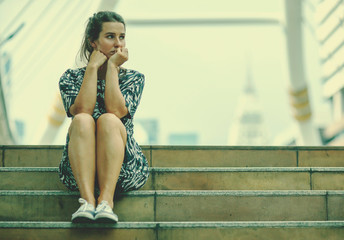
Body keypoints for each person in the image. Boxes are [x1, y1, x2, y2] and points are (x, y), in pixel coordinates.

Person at [58, 11, 149, 223]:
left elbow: (116, 111)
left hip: (123, 169)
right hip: (79, 169)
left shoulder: (134, 78)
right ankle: (87, 201)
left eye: (122, 37)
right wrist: (92, 68)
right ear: (93, 42)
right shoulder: (70, 78)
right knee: (82, 120)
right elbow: (83, 110)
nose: (118, 44)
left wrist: (112, 69)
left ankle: (107, 202)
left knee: (108, 119)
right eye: (110, 37)